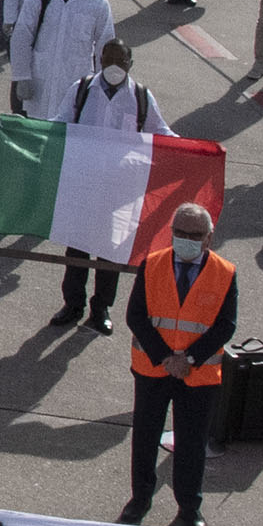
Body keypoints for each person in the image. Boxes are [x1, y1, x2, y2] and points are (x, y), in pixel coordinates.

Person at [120, 202, 235, 526]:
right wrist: (166, 358)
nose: (186, 239)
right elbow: (136, 317)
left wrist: (190, 359)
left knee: (191, 444)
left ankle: (189, 509)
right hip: (153, 370)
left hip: (198, 376)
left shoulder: (225, 273)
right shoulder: (152, 265)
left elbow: (226, 325)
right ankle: (139, 500)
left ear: (208, 238)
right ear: (171, 233)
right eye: (180, 233)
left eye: (194, 235)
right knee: (145, 438)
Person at [45, 37, 152, 331]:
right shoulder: (81, 91)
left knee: (110, 252)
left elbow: (160, 132)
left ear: (130, 65)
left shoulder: (141, 97)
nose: (115, 66)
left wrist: (190, 149)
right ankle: (73, 304)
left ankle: (101, 308)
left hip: (119, 190)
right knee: (77, 248)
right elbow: (60, 123)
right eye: (110, 59)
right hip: (83, 183)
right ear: (100, 59)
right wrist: (32, 131)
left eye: (122, 61)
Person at [10, 0, 113, 122]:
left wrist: (101, 87)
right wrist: (22, 76)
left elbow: (105, 47)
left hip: (75, 83)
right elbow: (21, 37)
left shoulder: (97, 3)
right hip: (41, 83)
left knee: (69, 131)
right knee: (37, 131)